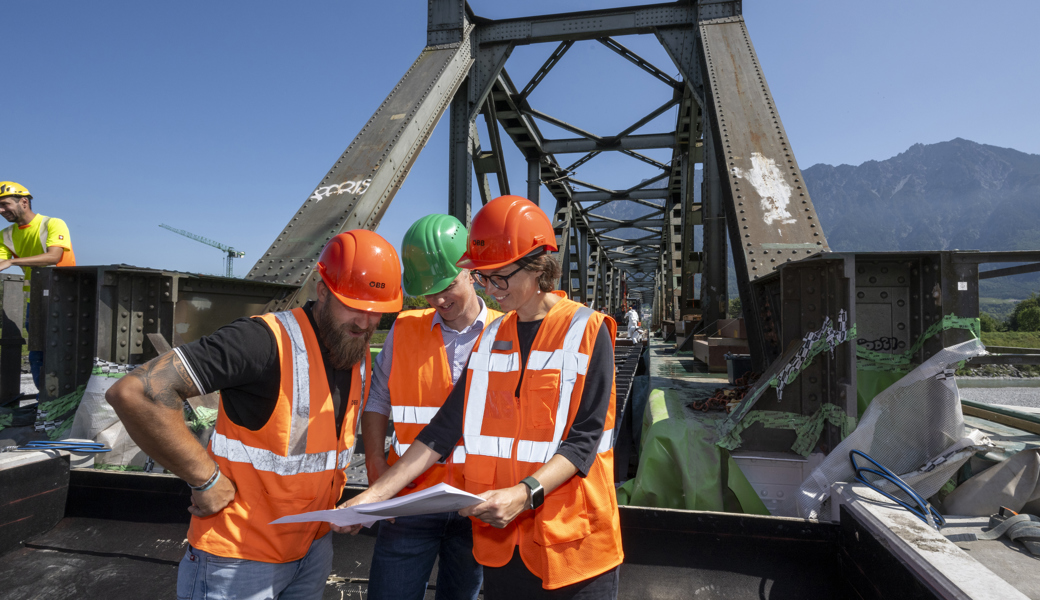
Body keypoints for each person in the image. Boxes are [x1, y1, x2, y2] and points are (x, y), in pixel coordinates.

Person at [339, 196, 624, 599]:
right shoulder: (492, 339)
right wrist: (372, 498)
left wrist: (524, 494)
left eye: (499, 277)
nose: (490, 289)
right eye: (485, 277)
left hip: (573, 541)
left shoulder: (588, 331)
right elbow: (441, 431)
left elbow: (583, 440)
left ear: (538, 265)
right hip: (503, 544)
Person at [107, 230, 402, 600]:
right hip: (239, 559)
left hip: (313, 549)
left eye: (378, 311)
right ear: (322, 290)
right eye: (354, 305)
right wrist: (205, 480)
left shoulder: (355, 352)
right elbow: (137, 392)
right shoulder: (262, 340)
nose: (365, 322)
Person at [362, 214, 502, 600]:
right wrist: (377, 467)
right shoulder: (404, 330)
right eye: (429, 291)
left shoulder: (506, 335)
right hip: (408, 500)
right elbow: (376, 402)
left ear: (471, 272)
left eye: (448, 286)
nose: (439, 300)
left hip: (474, 505)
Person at [0, 181, 76, 390]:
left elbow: (54, 256)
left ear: (24, 202)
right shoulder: (6, 235)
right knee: (37, 355)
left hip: (65, 299)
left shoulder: (52, 224)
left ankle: (65, 403)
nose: (1, 210)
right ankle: (43, 405)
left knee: (63, 352)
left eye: (5, 204)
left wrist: (13, 261)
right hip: (35, 302)